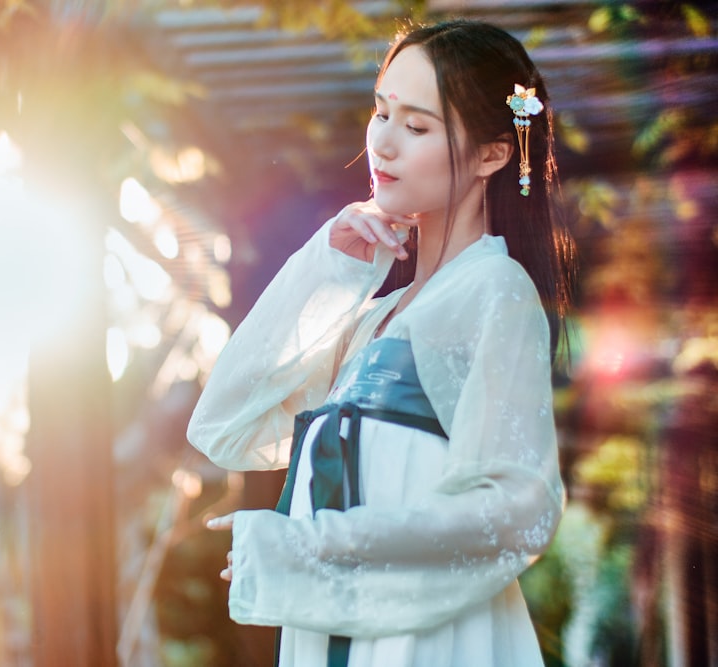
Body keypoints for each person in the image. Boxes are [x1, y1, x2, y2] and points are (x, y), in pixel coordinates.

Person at [186, 19, 576, 667]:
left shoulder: (494, 291)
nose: (384, 144)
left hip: (433, 639)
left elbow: (517, 510)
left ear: (491, 154)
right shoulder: (373, 318)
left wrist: (313, 542)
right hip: (348, 631)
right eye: (381, 112)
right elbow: (226, 425)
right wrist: (331, 267)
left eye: (417, 126)